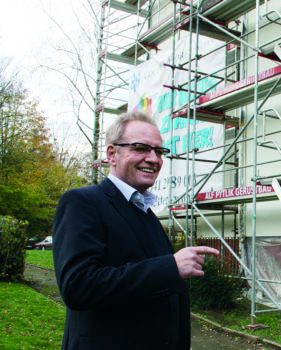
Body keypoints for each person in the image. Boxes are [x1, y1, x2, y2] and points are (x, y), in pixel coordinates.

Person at [53, 111, 218, 350]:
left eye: (159, 152)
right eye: (141, 148)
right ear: (112, 154)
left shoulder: (146, 213)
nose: (154, 159)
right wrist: (170, 266)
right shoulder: (83, 202)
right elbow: (78, 286)